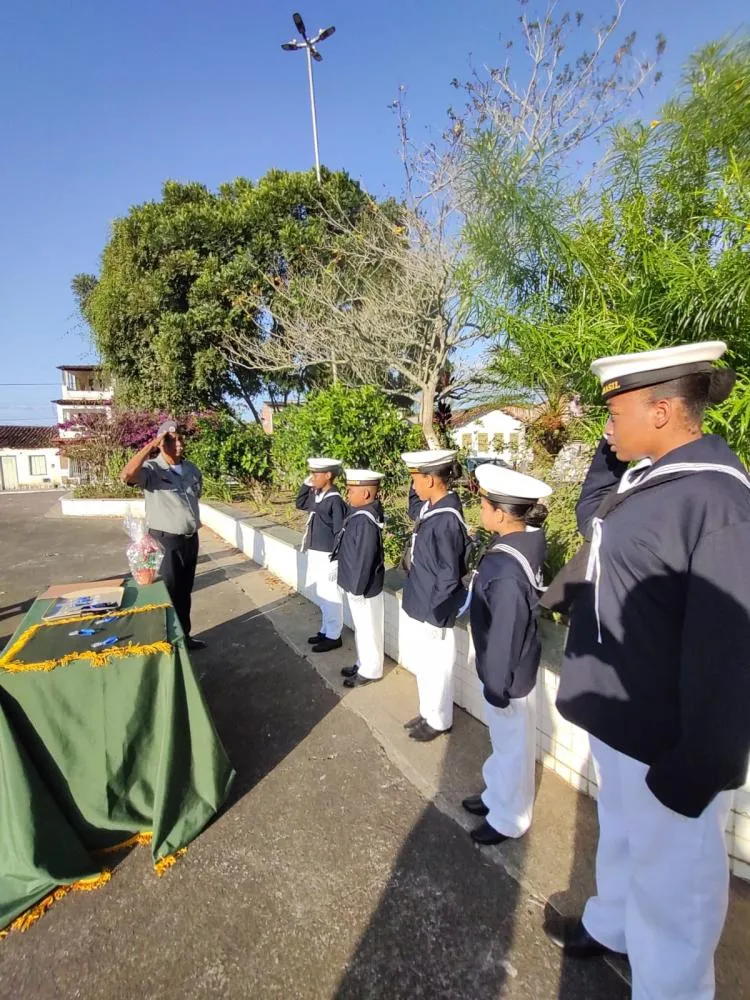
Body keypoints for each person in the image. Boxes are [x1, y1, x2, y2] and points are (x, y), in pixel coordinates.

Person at [544, 341, 750, 1000]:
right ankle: (612, 928)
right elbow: (593, 521)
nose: (606, 422)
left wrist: (704, 760)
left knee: (677, 887)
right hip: (620, 715)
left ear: (662, 411)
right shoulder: (648, 479)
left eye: (617, 409)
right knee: (626, 838)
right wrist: (609, 457)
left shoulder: (716, 500)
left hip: (669, 737)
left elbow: (729, 645)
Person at [462, 464, 551, 846]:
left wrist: (495, 686)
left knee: (513, 747)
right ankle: (495, 795)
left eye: (483, 502)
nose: (479, 507)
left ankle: (509, 818)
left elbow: (505, 633)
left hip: (508, 676)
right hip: (508, 669)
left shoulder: (506, 567)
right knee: (503, 743)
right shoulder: (521, 543)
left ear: (499, 513)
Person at [400, 449, 470, 742]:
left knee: (437, 666)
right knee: (423, 663)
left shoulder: (447, 519)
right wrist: (416, 469)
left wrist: (436, 614)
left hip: (434, 607)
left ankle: (440, 720)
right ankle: (428, 711)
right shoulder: (431, 507)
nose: (413, 486)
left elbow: (449, 573)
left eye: (416, 479)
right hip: (420, 599)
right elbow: (413, 504)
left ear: (431, 480)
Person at [120, 419, 205, 650]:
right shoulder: (152, 470)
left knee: (185, 591)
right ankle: (167, 641)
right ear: (161, 443)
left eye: (179, 439)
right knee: (168, 591)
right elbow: (127, 475)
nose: (178, 444)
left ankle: (184, 637)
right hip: (165, 541)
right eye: (171, 440)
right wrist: (150, 446)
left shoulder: (191, 468)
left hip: (190, 540)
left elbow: (197, 493)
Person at [334, 469, 386, 689]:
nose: (347, 494)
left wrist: (356, 590)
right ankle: (362, 662)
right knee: (362, 629)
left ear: (365, 494)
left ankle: (371, 669)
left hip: (363, 588)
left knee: (369, 630)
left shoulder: (364, 521)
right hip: (357, 585)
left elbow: (364, 558)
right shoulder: (361, 513)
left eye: (351, 490)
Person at [297, 457, 347, 653]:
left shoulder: (334, 500)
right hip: (316, 551)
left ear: (328, 475)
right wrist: (305, 484)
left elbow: (339, 531)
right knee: (322, 594)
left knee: (331, 595)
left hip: (328, 555)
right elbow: (300, 503)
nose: (312, 477)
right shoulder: (317, 495)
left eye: (316, 474)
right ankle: (325, 630)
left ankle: (334, 635)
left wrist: (336, 559)